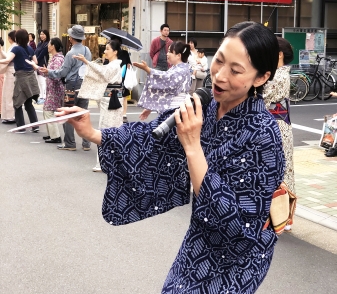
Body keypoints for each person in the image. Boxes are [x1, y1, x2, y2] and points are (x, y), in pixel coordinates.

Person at [56, 21, 284, 294]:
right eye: (219, 61)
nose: (220, 76)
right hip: (199, 241)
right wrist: (93, 133)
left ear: (260, 78)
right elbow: (154, 135)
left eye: (235, 70)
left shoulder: (263, 134)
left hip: (235, 259)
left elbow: (239, 226)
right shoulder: (208, 107)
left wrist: (192, 147)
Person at [39, 25, 91, 151]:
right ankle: (86, 143)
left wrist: (49, 72)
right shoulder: (87, 51)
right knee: (83, 112)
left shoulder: (71, 53)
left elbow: (62, 72)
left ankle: (70, 143)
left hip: (72, 85)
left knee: (68, 113)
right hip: (85, 84)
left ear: (71, 38)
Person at [74, 40, 123, 171]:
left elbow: (102, 73)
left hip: (111, 99)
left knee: (106, 129)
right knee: (109, 129)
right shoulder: (112, 65)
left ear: (115, 52)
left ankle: (104, 163)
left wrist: (87, 62)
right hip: (112, 98)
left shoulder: (114, 66)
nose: (105, 51)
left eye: (108, 49)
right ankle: (108, 162)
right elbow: (102, 75)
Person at [263, 37, 295, 231]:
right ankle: (284, 215)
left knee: (279, 169)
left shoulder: (279, 76)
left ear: (280, 55)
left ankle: (283, 215)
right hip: (280, 124)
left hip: (277, 126)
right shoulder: (280, 74)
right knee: (283, 169)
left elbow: (263, 97)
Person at [133, 41, 191, 120]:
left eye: (170, 52)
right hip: (172, 108)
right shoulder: (177, 68)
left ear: (178, 55)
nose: (167, 54)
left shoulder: (182, 70)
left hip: (175, 109)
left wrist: (148, 69)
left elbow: (166, 79)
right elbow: (165, 89)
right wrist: (150, 108)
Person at [0, 29, 39, 133]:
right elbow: (35, 62)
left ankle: (21, 127)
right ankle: (35, 126)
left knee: (17, 102)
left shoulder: (16, 49)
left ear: (17, 38)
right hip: (31, 77)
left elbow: (8, 60)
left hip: (21, 77)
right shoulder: (30, 48)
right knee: (28, 103)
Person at [31, 38, 65, 144]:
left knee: (48, 110)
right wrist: (38, 68)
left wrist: (39, 68)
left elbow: (55, 74)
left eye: (49, 44)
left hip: (56, 89)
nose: (47, 46)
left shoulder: (58, 59)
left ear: (53, 46)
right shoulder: (54, 58)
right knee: (47, 109)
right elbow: (48, 72)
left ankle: (55, 136)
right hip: (52, 88)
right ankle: (52, 134)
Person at [108, 36, 131, 123]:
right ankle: (122, 114)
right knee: (122, 96)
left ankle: (123, 114)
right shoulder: (124, 53)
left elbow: (129, 64)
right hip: (120, 77)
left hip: (119, 77)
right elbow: (129, 64)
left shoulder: (123, 53)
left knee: (121, 96)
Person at [0, 30, 17, 124]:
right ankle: (7, 115)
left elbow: (8, 60)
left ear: (10, 38)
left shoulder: (14, 47)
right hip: (10, 71)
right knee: (7, 94)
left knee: (9, 94)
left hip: (11, 71)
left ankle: (10, 116)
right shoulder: (13, 47)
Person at [34, 29, 50, 104]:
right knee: (39, 81)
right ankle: (40, 96)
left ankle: (44, 97)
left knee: (42, 81)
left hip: (42, 64)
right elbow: (35, 52)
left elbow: (42, 55)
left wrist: (35, 61)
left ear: (47, 35)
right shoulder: (39, 43)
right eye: (41, 34)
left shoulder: (47, 44)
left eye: (43, 34)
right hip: (37, 63)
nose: (42, 36)